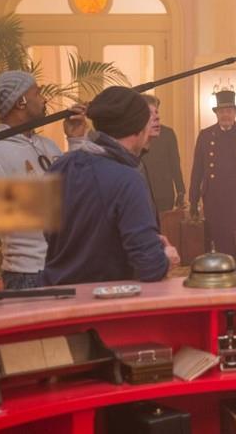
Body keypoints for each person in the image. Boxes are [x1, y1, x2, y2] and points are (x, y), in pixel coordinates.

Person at [0, 70, 87, 290]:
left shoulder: (48, 145)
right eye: (38, 93)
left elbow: (77, 190)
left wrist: (76, 140)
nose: (44, 99)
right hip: (28, 273)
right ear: (20, 101)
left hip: (64, 266)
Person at [41, 86, 179, 285]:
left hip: (56, 291)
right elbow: (150, 266)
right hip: (102, 296)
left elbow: (48, 233)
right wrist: (166, 257)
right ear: (138, 129)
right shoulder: (128, 179)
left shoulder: (60, 166)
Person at [188, 90, 236, 260]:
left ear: (235, 113)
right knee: (215, 240)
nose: (226, 115)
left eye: (229, 111)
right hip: (213, 198)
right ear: (216, 113)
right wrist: (193, 200)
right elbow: (197, 171)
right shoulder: (205, 136)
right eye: (222, 111)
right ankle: (218, 271)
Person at [140, 94, 186, 214]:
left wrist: (180, 191)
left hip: (164, 192)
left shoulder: (167, 133)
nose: (155, 116)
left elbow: (175, 163)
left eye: (156, 111)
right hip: (142, 191)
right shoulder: (136, 134)